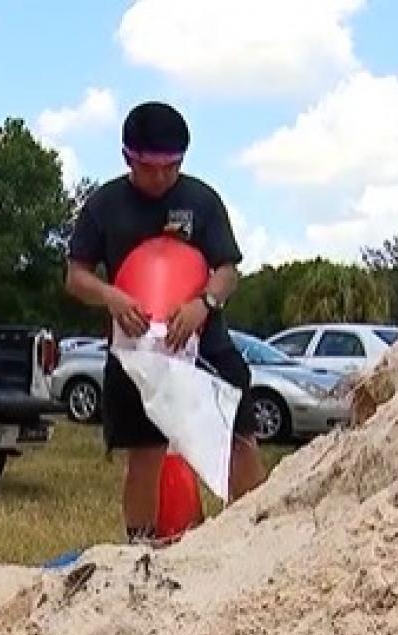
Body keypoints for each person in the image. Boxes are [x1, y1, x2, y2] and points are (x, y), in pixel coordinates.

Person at [64, 101, 268, 545]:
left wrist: (204, 302)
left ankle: (253, 536)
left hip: (204, 343)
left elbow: (228, 269)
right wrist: (111, 296)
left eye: (170, 167)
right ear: (127, 158)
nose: (160, 178)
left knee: (239, 436)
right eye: (148, 167)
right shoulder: (104, 205)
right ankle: (140, 545)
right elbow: (75, 275)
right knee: (145, 450)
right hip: (137, 349)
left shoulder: (202, 200)